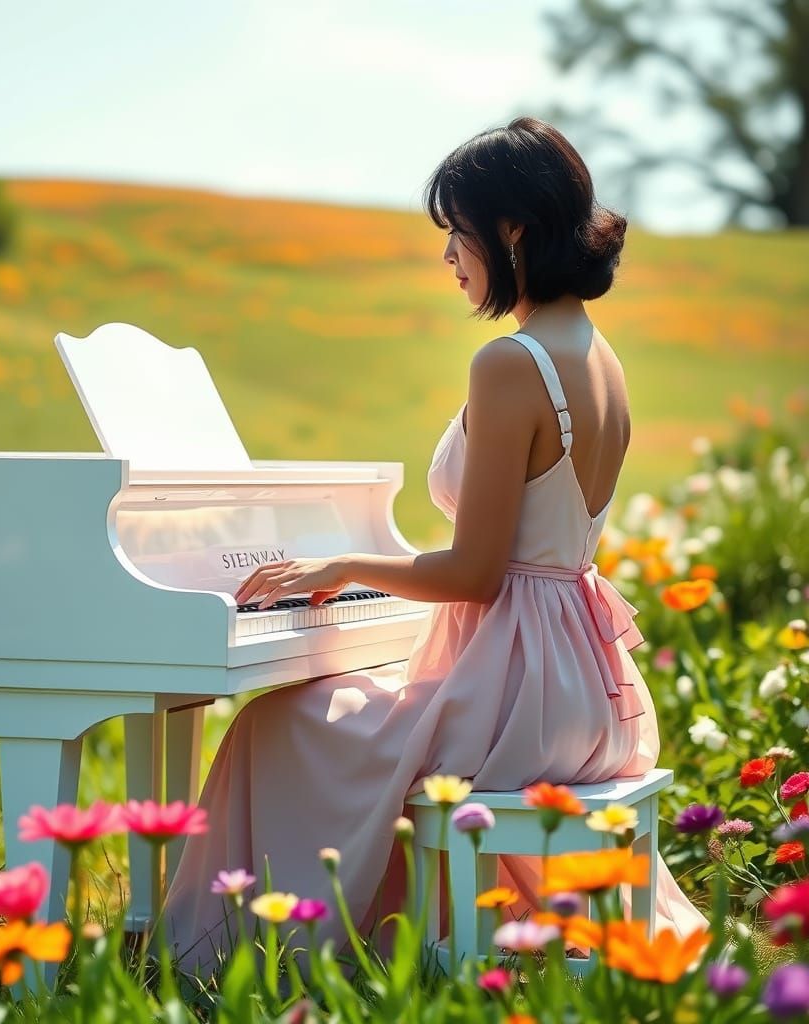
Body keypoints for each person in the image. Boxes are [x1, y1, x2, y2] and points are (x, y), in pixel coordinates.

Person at [160, 115, 711, 981]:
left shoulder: (509, 364)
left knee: (276, 722)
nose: (450, 256)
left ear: (513, 230)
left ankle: (243, 959)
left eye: (457, 232)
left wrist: (340, 567)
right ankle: (376, 941)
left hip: (517, 688)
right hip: (576, 675)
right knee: (337, 711)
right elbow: (524, 548)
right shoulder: (600, 357)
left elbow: (475, 574)